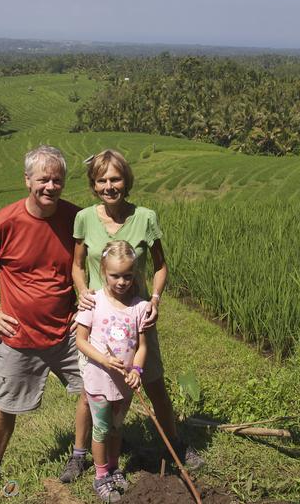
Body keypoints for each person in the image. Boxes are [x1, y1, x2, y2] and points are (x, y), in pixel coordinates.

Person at [0, 145, 92, 493]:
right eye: (43, 179)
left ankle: (80, 454)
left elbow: (100, 264)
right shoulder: (3, 222)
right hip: (19, 335)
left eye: (57, 180)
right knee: (5, 405)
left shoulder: (77, 219)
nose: (51, 187)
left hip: (68, 332)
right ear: (27, 180)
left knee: (93, 389)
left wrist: (87, 311)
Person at [72, 149, 203, 469]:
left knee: (153, 381)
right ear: (93, 184)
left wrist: (155, 299)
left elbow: (161, 266)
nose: (108, 186)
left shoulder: (145, 217)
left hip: (136, 318)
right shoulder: (85, 218)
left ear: (126, 181)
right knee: (91, 391)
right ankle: (78, 456)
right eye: (101, 180)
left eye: (115, 178)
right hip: (99, 319)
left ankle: (174, 446)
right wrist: (82, 292)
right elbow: (76, 266)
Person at [76, 240, 151, 502]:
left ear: (136, 274)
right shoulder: (93, 302)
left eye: (128, 276)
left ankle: (115, 466)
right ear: (103, 271)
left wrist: (137, 370)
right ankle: (100, 476)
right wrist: (105, 361)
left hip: (124, 383)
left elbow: (142, 346)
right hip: (98, 380)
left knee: (117, 428)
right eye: (115, 275)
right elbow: (81, 341)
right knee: (101, 429)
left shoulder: (140, 307)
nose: (121, 281)